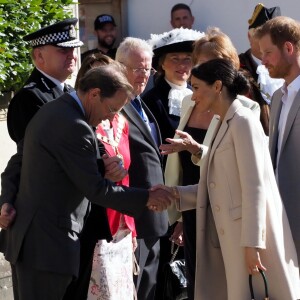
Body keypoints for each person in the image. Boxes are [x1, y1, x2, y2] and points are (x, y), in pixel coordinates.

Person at [0, 64, 173, 300]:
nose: (112, 117)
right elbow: (97, 190)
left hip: (35, 244)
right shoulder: (75, 125)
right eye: (113, 109)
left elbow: (26, 163)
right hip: (48, 249)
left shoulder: (55, 110)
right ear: (94, 94)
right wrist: (147, 197)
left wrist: (6, 200)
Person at [158, 59, 300, 299]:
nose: (193, 97)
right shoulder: (223, 121)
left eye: (196, 88)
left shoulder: (243, 120)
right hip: (232, 239)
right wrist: (175, 194)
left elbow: (255, 186)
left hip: (247, 241)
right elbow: (220, 184)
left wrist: (253, 245)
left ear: (217, 86)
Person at [162, 27, 261, 299]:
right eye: (201, 64)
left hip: (224, 209)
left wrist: (197, 149)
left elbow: (242, 170)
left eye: (213, 63)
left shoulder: (245, 109)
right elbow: (181, 167)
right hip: (191, 206)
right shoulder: (188, 100)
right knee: (198, 284)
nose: (205, 69)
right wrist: (180, 213)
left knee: (224, 285)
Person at [0, 18, 83, 230]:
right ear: (39, 56)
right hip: (48, 209)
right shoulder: (29, 98)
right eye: (63, 51)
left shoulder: (68, 92)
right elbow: (39, 156)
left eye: (73, 49)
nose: (72, 55)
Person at [74, 53, 137, 299]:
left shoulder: (121, 120)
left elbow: (128, 175)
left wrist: (131, 226)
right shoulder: (85, 122)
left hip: (122, 225)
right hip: (95, 226)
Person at [115, 37, 169, 300]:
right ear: (119, 67)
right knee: (135, 288)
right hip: (135, 215)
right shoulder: (116, 107)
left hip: (154, 216)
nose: (144, 75)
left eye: (148, 69)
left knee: (149, 287)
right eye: (137, 68)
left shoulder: (140, 102)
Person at [255, 16, 300, 266]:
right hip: (281, 220)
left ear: (289, 48)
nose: (264, 60)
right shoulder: (276, 98)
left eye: (268, 52)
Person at [144, 28, 204, 155]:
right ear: (163, 64)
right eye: (175, 59)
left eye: (187, 59)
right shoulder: (151, 100)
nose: (182, 65)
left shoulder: (201, 95)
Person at [239, 3, 283, 135]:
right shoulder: (236, 67)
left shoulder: (290, 68)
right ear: (249, 36)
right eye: (260, 35)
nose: (267, 41)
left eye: (274, 37)